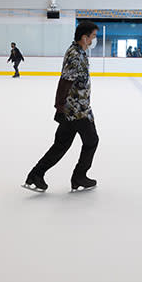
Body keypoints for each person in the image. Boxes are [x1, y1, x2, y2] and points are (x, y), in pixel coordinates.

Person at [23, 21, 99, 193]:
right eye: (93, 36)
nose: (95, 39)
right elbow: (65, 81)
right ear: (84, 37)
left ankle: (36, 174)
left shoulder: (79, 52)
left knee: (61, 145)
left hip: (72, 109)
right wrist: (59, 106)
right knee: (92, 141)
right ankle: (79, 176)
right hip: (77, 111)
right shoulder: (76, 56)